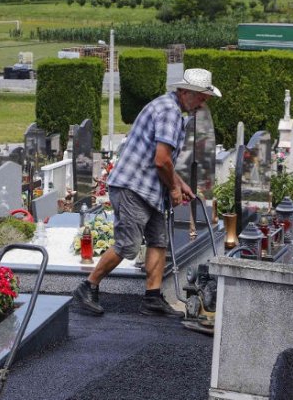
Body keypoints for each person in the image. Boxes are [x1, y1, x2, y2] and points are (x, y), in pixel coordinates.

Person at [72, 68, 221, 317]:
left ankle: (152, 298)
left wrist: (179, 183)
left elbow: (164, 160)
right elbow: (161, 160)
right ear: (185, 92)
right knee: (127, 245)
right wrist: (174, 188)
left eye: (205, 97)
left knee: (158, 241)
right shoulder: (170, 113)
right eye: (201, 96)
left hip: (147, 189)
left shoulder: (171, 108)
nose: (203, 102)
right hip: (133, 186)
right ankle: (88, 287)